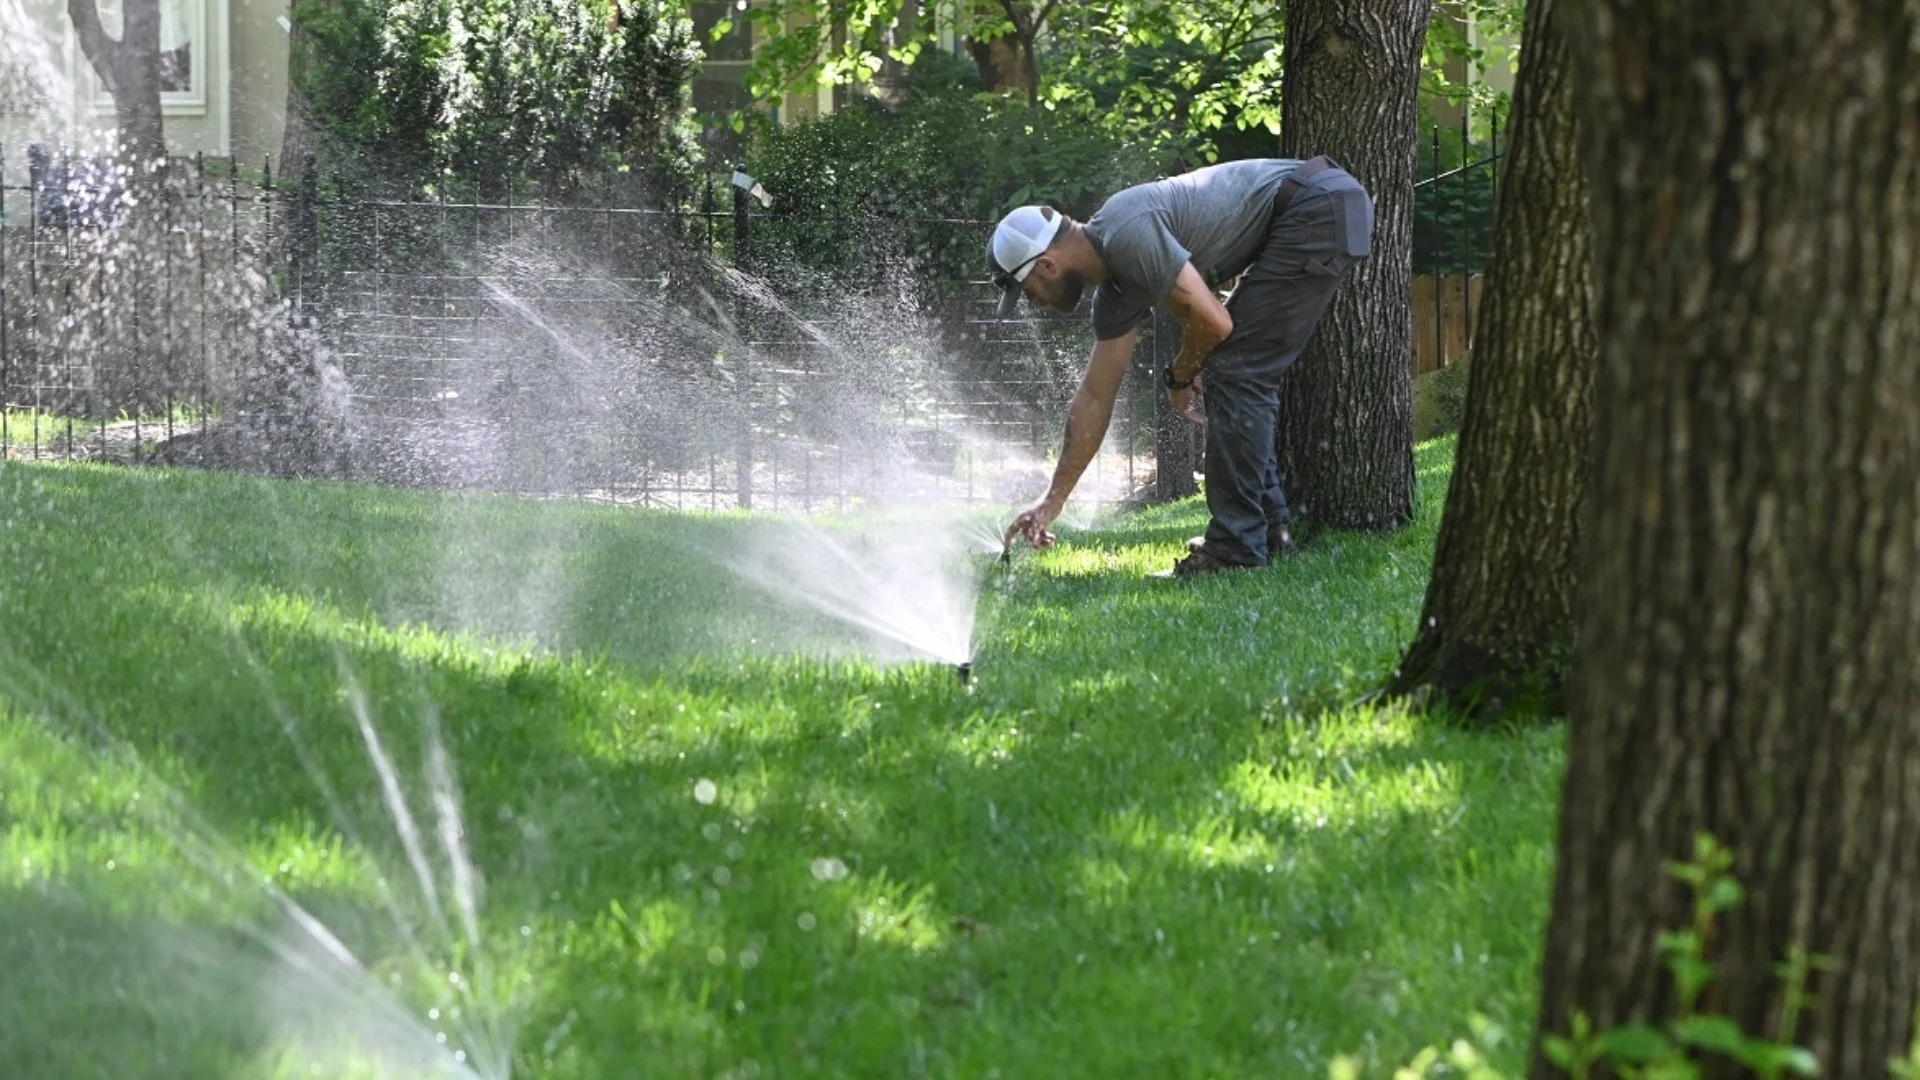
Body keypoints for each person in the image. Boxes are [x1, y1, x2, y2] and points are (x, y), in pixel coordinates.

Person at [992, 155, 1373, 576]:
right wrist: (1053, 499)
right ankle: (1264, 532)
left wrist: (1181, 373)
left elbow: (1215, 323)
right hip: (1318, 205)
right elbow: (1095, 399)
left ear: (1047, 264)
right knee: (1235, 369)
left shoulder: (1125, 232)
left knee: (1236, 370)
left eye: (1027, 291)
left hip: (1315, 206)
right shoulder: (1116, 293)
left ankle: (1235, 548)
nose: (1034, 302)